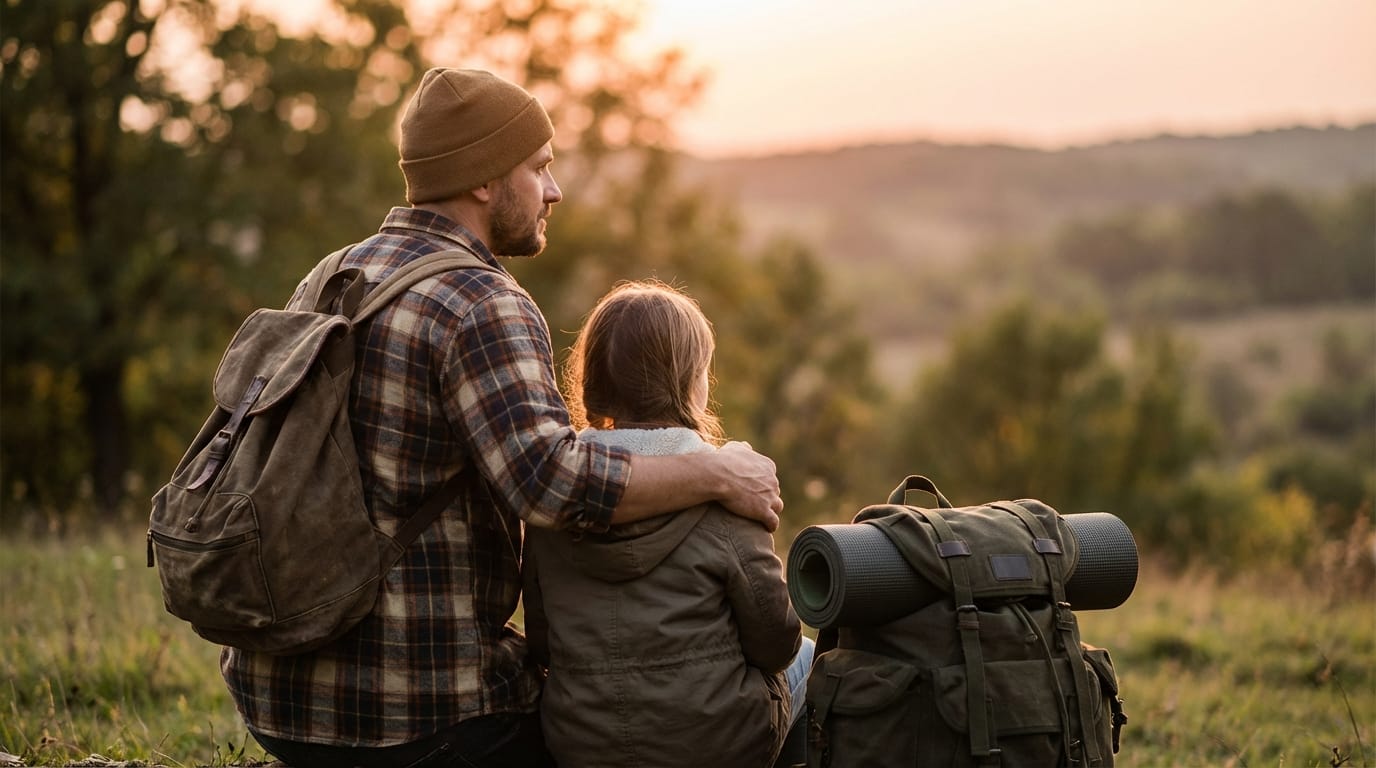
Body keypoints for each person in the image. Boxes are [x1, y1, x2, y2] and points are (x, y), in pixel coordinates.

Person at [221, 68, 784, 768]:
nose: (554, 190)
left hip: (277, 703)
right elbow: (552, 485)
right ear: (485, 180)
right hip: (420, 719)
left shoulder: (333, 275)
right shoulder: (482, 302)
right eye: (540, 168)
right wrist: (716, 473)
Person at [523, 280, 815, 768]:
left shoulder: (556, 500)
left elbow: (541, 642)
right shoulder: (727, 493)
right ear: (689, 385)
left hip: (584, 745)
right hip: (717, 744)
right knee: (808, 657)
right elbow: (777, 643)